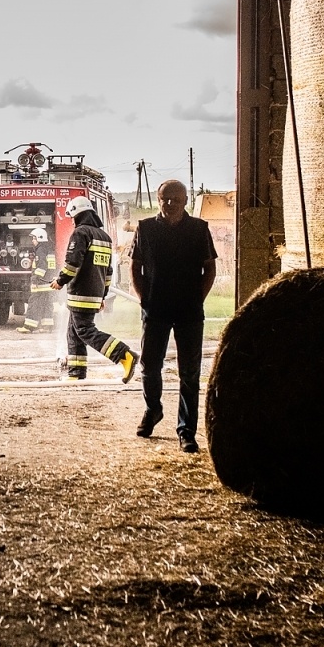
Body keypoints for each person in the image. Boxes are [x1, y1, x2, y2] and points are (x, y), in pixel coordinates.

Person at [129, 179, 218, 453]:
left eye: (175, 199)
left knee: (189, 373)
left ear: (185, 201)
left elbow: (209, 270)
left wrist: (196, 300)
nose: (170, 203)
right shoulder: (145, 229)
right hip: (155, 309)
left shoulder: (199, 229)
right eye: (165, 198)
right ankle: (153, 410)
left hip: (190, 312)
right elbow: (135, 266)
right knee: (149, 366)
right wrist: (144, 299)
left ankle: (186, 431)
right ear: (159, 199)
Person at [52, 196, 138, 382]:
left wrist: (60, 281)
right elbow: (108, 271)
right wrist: (102, 297)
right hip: (94, 294)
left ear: (77, 214)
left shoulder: (81, 233)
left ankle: (124, 355)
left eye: (72, 216)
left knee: (84, 330)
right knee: (74, 332)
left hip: (80, 293)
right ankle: (76, 373)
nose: (72, 221)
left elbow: (72, 263)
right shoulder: (104, 237)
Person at [18, 227, 57, 333]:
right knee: (46, 305)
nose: (32, 241)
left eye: (34, 239)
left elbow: (41, 267)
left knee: (34, 303)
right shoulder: (49, 248)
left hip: (41, 284)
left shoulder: (41, 250)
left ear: (39, 238)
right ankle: (47, 327)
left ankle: (28, 327)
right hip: (48, 283)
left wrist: (35, 280)